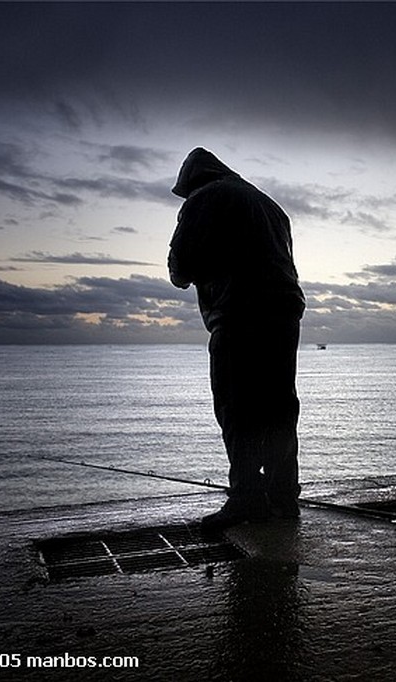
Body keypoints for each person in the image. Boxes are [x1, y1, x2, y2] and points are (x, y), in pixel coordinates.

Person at [168, 147, 305, 530]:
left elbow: (181, 266)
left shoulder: (205, 197)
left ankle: (247, 499)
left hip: (239, 313)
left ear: (192, 181)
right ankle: (282, 497)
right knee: (279, 407)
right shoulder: (270, 205)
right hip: (284, 312)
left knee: (236, 406)